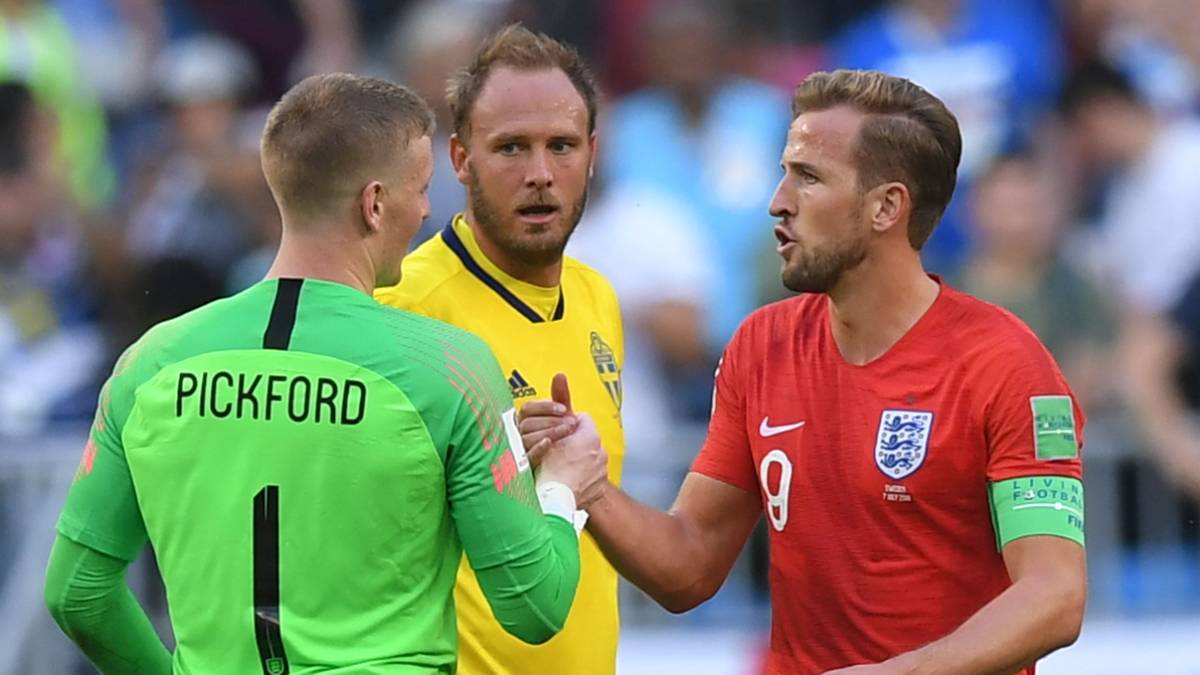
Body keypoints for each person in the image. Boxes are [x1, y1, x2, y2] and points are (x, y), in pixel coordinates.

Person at [522, 69, 1087, 674]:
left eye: (808, 178)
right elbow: (688, 566)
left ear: (886, 207)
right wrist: (590, 486)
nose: (778, 201)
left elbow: (1054, 597)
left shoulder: (1005, 363)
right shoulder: (761, 346)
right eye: (784, 171)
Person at [44, 72, 601, 674]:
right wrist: (560, 488)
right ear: (375, 203)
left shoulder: (149, 363)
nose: (424, 212)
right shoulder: (450, 367)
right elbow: (533, 607)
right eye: (421, 189)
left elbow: (77, 592)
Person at [374, 24, 625, 675]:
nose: (541, 174)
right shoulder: (403, 306)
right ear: (459, 157)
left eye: (561, 146)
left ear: (592, 152)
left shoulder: (598, 297)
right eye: (511, 147)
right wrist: (493, 453)